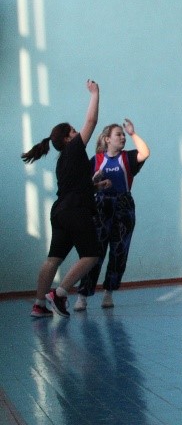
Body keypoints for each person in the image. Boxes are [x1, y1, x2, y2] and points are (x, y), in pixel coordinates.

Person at [22, 79, 102, 318]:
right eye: (73, 131)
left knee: (53, 259)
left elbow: (75, 188)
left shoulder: (63, 161)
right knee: (91, 254)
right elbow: (92, 121)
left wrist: (95, 185)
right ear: (68, 139)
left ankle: (39, 305)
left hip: (60, 212)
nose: (78, 133)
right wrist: (95, 94)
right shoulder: (74, 149)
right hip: (75, 211)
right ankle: (59, 293)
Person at [74, 118, 150, 311]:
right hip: (101, 206)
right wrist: (94, 180)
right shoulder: (97, 160)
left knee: (119, 250)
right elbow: (84, 186)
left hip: (123, 205)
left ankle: (109, 292)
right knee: (95, 252)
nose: (122, 137)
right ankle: (82, 295)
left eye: (124, 135)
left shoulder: (128, 158)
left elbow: (145, 153)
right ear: (107, 139)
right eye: (119, 134)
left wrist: (133, 133)